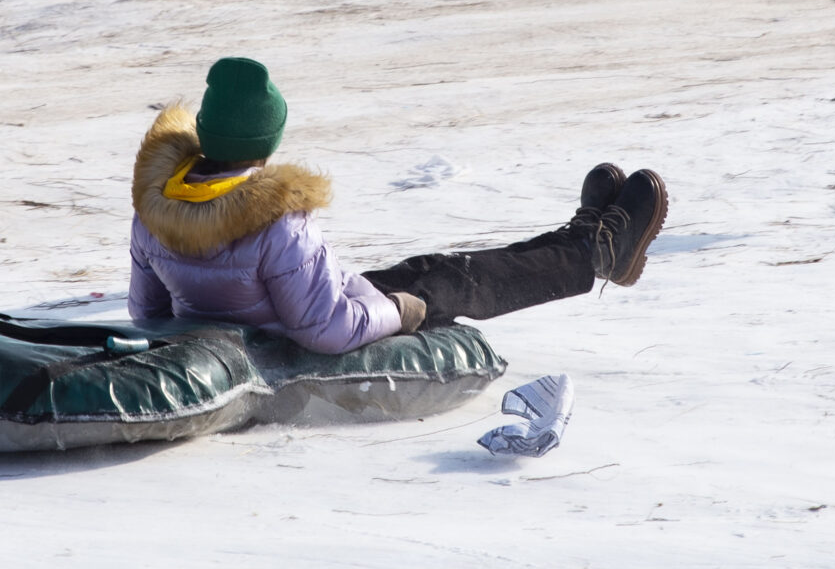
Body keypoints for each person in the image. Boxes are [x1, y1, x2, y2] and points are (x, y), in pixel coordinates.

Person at [128, 57, 668, 355]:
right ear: (267, 145)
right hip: (289, 337)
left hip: (258, 321)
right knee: (453, 281)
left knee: (426, 270)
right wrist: (400, 310)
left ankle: (583, 242)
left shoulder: (157, 205)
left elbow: (148, 314)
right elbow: (327, 331)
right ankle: (596, 252)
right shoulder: (276, 219)